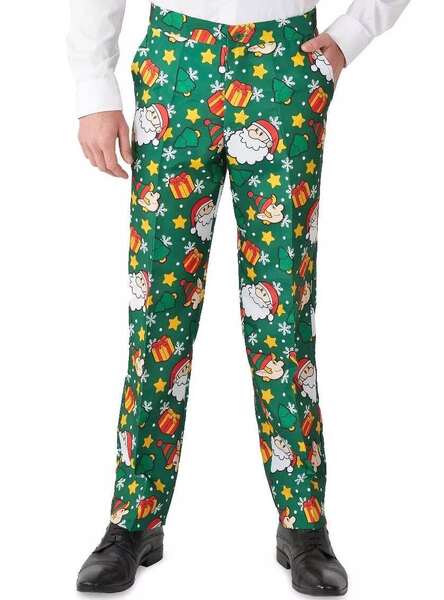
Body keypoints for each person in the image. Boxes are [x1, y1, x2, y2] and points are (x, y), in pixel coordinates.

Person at [67, 0, 410, 595]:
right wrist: (94, 85)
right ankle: (134, 518)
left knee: (284, 312)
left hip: (284, 64)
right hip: (176, 62)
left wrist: (355, 30)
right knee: (157, 309)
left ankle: (303, 522)